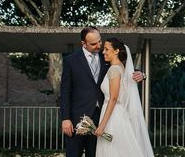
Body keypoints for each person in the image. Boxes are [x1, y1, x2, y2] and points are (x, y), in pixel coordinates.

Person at [60, 27, 146, 157]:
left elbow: (124, 69)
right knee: (73, 154)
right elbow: (65, 91)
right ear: (84, 43)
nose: (99, 45)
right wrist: (65, 118)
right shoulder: (70, 60)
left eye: (99, 41)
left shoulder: (106, 55)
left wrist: (142, 74)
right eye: (94, 44)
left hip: (101, 117)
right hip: (77, 117)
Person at [95, 37, 154, 157]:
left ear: (116, 51)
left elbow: (113, 98)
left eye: (106, 49)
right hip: (117, 114)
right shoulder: (122, 67)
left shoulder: (115, 69)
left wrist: (102, 125)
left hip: (112, 117)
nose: (103, 52)